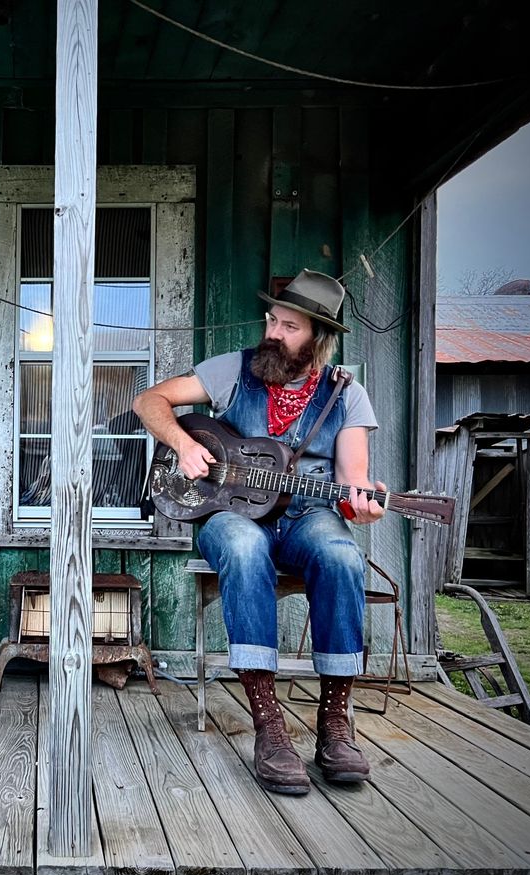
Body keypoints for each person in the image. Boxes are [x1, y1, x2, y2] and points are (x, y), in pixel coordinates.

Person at [132, 268, 385, 795]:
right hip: (230, 515)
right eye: (273, 319)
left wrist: (363, 506)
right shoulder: (232, 370)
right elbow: (148, 401)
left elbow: (352, 481)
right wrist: (182, 444)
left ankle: (334, 724)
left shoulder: (347, 395)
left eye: (290, 327)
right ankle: (269, 726)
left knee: (341, 554)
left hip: (306, 515)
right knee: (245, 547)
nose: (273, 332)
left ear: (320, 337)